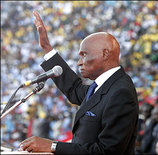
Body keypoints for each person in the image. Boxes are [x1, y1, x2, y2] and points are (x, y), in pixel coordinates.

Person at [19, 11, 139, 154]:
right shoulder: (102, 86)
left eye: (84, 55)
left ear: (105, 54)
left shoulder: (121, 93)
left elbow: (107, 151)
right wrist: (47, 48)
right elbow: (74, 89)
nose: (79, 63)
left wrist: (53, 146)